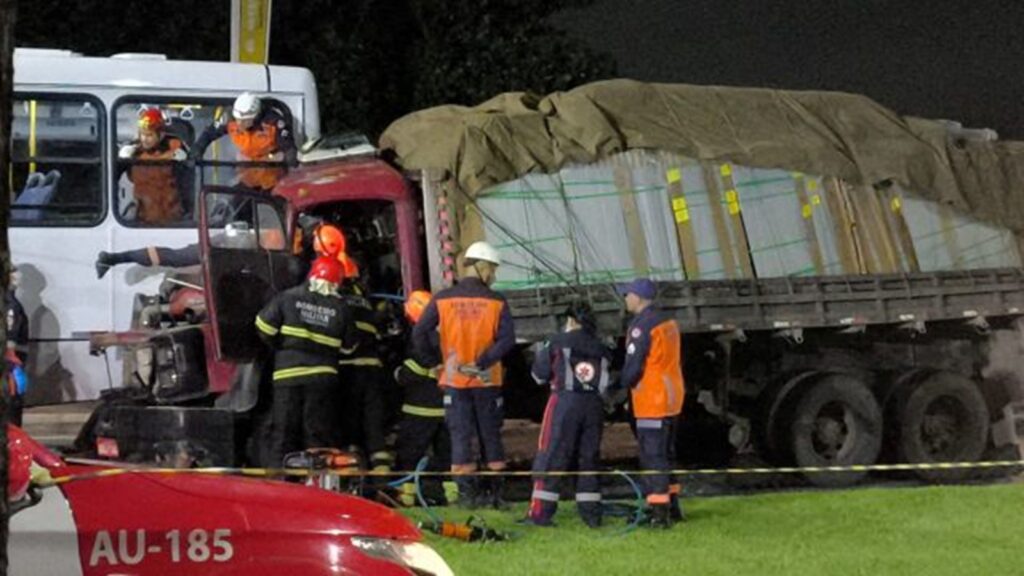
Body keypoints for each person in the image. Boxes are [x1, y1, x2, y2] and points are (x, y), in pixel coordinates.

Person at [412, 241, 516, 508]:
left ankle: (467, 497)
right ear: (481, 267)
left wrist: (434, 363)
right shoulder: (496, 301)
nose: (493, 275)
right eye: (492, 269)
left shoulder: (443, 299)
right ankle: (495, 496)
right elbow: (507, 340)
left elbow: (419, 332)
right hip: (486, 380)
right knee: (490, 434)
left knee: (460, 436)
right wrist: (484, 360)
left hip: (455, 381)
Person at [255, 256, 356, 468]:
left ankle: (282, 485)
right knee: (317, 435)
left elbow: (263, 327)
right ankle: (316, 486)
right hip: (322, 380)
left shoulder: (288, 298)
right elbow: (348, 347)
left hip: (288, 376)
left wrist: (281, 347)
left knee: (283, 434)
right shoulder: (342, 308)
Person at [525, 302, 611, 528]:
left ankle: (541, 513)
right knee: (588, 457)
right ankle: (591, 515)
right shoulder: (600, 346)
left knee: (551, 454)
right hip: (594, 405)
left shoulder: (556, 341)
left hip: (564, 403)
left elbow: (539, 375)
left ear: (571, 320)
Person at [617, 278, 685, 528]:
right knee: (667, 455)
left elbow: (633, 367)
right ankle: (672, 506)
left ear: (638, 297)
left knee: (652, 456)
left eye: (627, 295)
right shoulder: (668, 322)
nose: (625, 299)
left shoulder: (641, 326)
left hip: (651, 400)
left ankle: (659, 515)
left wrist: (618, 386)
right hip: (671, 397)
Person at [394, 290, 457, 506]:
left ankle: (407, 496)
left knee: (409, 453)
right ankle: (452, 497)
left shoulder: (418, 335)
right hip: (446, 408)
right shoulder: (444, 332)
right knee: (446, 455)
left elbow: (413, 369)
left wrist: (398, 374)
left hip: (419, 408)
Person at [336, 253, 391, 472]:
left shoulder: (336, 302)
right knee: (374, 429)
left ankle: (352, 480)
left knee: (348, 428)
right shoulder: (365, 302)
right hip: (373, 371)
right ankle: (382, 481)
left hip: (347, 370)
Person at [191, 92, 297, 190]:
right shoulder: (229, 119)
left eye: (244, 120)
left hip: (273, 181)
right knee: (232, 205)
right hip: (247, 178)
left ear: (255, 117)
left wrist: (287, 164)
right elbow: (209, 133)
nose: (239, 123)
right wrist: (198, 148)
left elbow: (289, 149)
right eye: (237, 119)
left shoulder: (273, 124)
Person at [117, 108, 189, 225]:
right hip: (143, 217)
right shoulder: (133, 151)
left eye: (149, 135)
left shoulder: (175, 146)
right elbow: (112, 177)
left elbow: (189, 179)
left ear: (160, 134)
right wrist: (121, 161)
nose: (144, 139)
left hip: (173, 218)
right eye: (142, 134)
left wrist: (184, 159)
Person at [4, 265, 29, 426]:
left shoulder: (11, 302)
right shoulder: (10, 303)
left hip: (12, 359)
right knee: (12, 401)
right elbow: (11, 334)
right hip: (11, 361)